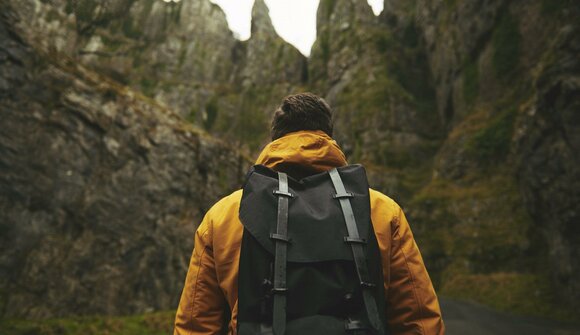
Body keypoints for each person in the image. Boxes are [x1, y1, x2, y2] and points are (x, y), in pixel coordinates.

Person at [174, 93, 445, 335]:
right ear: (328, 136)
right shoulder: (382, 210)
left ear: (275, 137)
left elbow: (196, 326)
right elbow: (419, 322)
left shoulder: (224, 216)